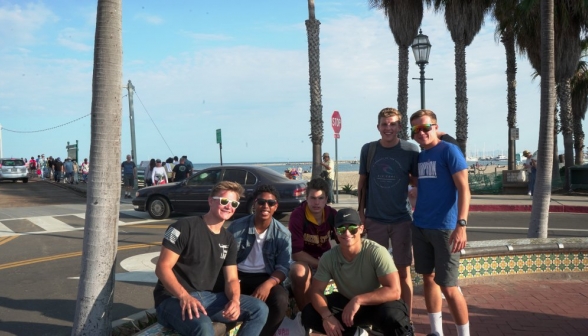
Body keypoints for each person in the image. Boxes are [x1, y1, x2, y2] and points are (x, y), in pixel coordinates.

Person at [154, 181, 268, 335]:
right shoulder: (183, 227)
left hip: (209, 298)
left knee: (259, 309)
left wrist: (235, 301)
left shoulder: (228, 239)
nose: (229, 206)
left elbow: (231, 279)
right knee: (203, 325)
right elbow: (162, 267)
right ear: (210, 200)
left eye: (234, 203)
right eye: (224, 201)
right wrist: (184, 296)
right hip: (173, 298)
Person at [301, 208, 412, 336]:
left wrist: (358, 299)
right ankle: (356, 333)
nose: (347, 233)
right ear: (335, 232)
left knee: (395, 318)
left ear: (361, 228)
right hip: (347, 305)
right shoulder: (329, 257)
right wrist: (327, 316)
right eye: (341, 229)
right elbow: (316, 290)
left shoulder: (376, 251)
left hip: (376, 303)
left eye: (352, 228)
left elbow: (394, 291)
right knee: (309, 314)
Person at [409, 109, 471, 336]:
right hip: (421, 226)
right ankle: (436, 331)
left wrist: (461, 225)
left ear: (436, 127)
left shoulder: (449, 151)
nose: (421, 132)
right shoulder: (421, 156)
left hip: (446, 228)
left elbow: (465, 189)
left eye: (426, 127)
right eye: (416, 129)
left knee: (449, 286)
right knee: (428, 278)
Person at [357, 107, 419, 319]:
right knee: (376, 273)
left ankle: (406, 321)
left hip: (402, 220)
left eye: (393, 124)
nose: (388, 128)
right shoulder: (369, 149)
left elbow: (417, 181)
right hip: (375, 220)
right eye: (384, 124)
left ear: (400, 127)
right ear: (378, 127)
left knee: (403, 272)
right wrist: (361, 214)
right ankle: (378, 320)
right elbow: (362, 185)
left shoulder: (411, 150)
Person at [226, 185, 291, 336]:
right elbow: (225, 259)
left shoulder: (282, 234)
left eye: (271, 203)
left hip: (265, 276)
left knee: (280, 300)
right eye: (261, 202)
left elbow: (283, 267)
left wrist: (267, 285)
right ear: (254, 204)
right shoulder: (237, 227)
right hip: (237, 275)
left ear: (276, 207)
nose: (265, 206)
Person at [288, 178, 338, 311]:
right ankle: (306, 314)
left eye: (321, 198)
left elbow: (344, 241)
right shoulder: (297, 216)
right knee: (299, 272)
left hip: (325, 257)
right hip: (304, 260)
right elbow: (296, 254)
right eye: (313, 198)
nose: (317, 202)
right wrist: (321, 264)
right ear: (306, 198)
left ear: (326, 198)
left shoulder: (332, 215)